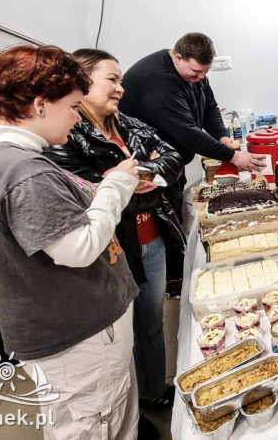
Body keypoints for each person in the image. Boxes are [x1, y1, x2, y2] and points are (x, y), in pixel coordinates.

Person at [0, 45, 140, 439]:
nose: (77, 119)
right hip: (79, 338)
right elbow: (78, 248)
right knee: (96, 425)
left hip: (70, 334)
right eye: (74, 106)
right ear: (41, 105)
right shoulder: (21, 170)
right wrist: (116, 185)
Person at [45, 48, 185, 413]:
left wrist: (144, 176)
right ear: (83, 81)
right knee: (117, 336)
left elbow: (172, 156)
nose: (120, 88)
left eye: (120, 80)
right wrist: (133, 182)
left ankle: (153, 390)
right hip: (111, 249)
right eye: (112, 79)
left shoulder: (128, 123)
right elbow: (86, 193)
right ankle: (124, 408)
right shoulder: (66, 134)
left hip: (150, 240)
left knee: (151, 324)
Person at [119, 32, 266, 295]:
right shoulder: (158, 81)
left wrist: (222, 136)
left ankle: (176, 273)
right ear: (178, 57)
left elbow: (210, 107)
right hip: (150, 169)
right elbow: (186, 132)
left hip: (173, 163)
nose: (199, 78)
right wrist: (233, 156)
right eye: (195, 72)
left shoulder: (195, 73)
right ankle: (171, 281)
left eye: (204, 73)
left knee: (176, 211)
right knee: (167, 222)